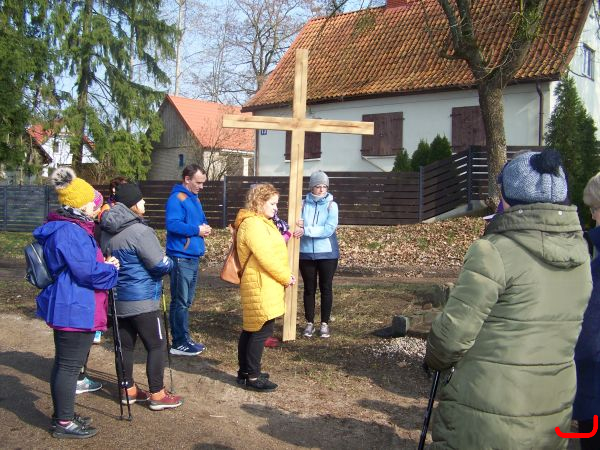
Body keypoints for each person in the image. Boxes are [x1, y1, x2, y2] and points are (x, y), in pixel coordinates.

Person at [424, 149, 592, 449]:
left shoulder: (493, 251)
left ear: (509, 197)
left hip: (488, 408)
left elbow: (451, 338)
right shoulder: (582, 253)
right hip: (553, 406)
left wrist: (434, 358)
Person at [34, 168, 119, 439]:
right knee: (69, 366)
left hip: (73, 303)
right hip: (74, 306)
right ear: (81, 205)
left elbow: (81, 266)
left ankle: (64, 415)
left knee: (66, 364)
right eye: (94, 203)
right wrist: (111, 269)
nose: (97, 208)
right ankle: (63, 422)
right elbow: (87, 272)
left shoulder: (71, 228)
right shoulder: (71, 232)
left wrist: (103, 265)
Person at [100, 183, 182, 411]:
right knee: (156, 345)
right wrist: (170, 262)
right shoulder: (141, 232)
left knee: (124, 347)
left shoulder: (105, 230)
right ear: (133, 204)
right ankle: (157, 394)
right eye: (141, 199)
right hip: (143, 300)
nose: (144, 202)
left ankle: (127, 390)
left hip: (117, 299)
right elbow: (158, 264)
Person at [234, 183, 295, 391]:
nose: (276, 208)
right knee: (260, 330)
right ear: (259, 202)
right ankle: (253, 376)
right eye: (272, 203)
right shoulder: (253, 224)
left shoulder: (260, 222)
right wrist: (285, 277)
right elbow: (266, 257)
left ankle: (245, 372)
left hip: (262, 283)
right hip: (260, 284)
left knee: (252, 328)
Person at [165, 164, 212, 356]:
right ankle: (178, 343)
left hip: (192, 256)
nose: (201, 186)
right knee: (180, 301)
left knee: (187, 301)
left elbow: (200, 220)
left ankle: (184, 338)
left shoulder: (194, 198)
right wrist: (196, 230)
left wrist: (205, 227)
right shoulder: (177, 199)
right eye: (198, 182)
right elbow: (172, 224)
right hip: (180, 257)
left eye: (203, 183)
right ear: (187, 179)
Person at [293, 170, 339, 339]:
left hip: (327, 254)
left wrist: (306, 230)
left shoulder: (332, 205)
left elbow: (328, 229)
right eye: (318, 186)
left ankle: (324, 323)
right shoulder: (301, 204)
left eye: (324, 186)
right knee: (309, 289)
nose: (321, 189)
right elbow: (295, 224)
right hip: (305, 253)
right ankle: (310, 322)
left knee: (326, 288)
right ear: (311, 187)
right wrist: (300, 227)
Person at [573, 171, 600, 450]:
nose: (592, 216)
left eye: (594, 208)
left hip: (594, 390)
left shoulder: (592, 258)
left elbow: (588, 341)